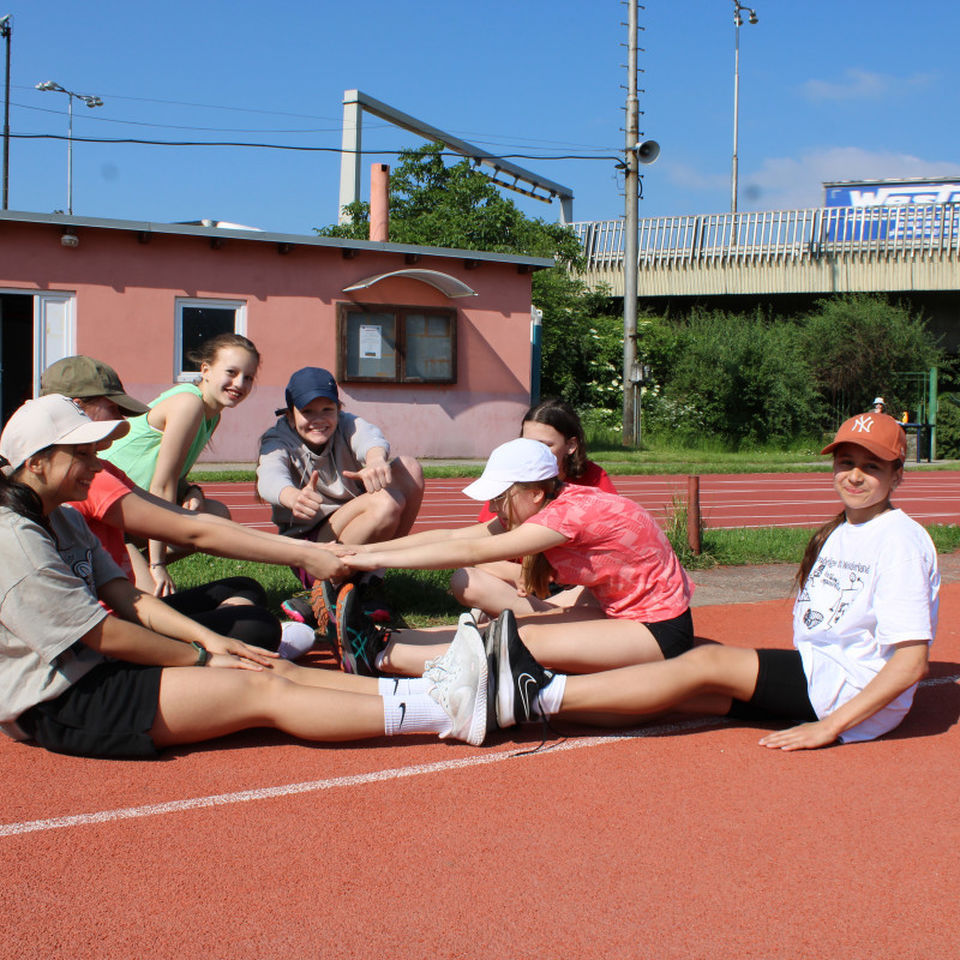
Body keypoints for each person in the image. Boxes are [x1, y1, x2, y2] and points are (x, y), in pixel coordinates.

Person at [0, 395, 490, 759]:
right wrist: (200, 655)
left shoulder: (62, 516)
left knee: (271, 666)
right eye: (80, 455)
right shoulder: (16, 539)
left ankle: (436, 688)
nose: (95, 463)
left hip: (98, 668)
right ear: (36, 462)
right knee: (262, 690)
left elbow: (127, 598)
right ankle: (448, 712)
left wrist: (210, 642)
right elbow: (102, 631)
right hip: (62, 700)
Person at [488, 412, 938, 750]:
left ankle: (531, 696)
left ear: (898, 474)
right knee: (668, 689)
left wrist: (831, 726)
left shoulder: (900, 540)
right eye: (846, 462)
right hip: (822, 676)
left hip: (849, 693)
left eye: (873, 466)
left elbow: (911, 662)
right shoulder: (841, 529)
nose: (854, 475)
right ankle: (521, 706)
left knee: (703, 665)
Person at [41, 355, 351, 658]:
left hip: (120, 604)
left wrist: (309, 552)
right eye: (112, 408)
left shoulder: (100, 468)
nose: (122, 419)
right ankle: (222, 653)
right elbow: (193, 531)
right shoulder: (85, 477)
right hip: (105, 632)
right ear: (76, 408)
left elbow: (190, 520)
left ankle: (222, 646)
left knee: (246, 588)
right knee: (259, 626)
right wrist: (303, 553)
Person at [337, 437, 693, 678]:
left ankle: (377, 656)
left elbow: (468, 550)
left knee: (521, 639)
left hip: (658, 630)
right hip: (616, 609)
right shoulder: (554, 501)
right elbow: (452, 536)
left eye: (499, 497)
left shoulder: (565, 516)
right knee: (499, 629)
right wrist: (359, 551)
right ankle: (383, 638)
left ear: (536, 493)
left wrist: (368, 562)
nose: (491, 507)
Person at [256, 366, 424, 624]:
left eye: (327, 410)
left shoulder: (347, 424)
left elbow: (369, 437)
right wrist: (292, 497)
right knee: (385, 504)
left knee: (409, 469)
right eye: (307, 411)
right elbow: (268, 475)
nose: (318, 419)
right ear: (291, 416)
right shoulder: (278, 438)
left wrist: (375, 459)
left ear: (338, 409)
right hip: (309, 548)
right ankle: (322, 590)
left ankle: (370, 582)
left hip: (350, 523)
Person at [100, 333, 261, 596]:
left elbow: (173, 475)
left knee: (215, 515)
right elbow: (161, 486)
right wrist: (158, 564)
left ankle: (122, 563)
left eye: (248, 377)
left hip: (132, 513)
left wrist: (191, 491)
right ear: (205, 370)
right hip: (107, 512)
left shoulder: (212, 415)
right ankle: (124, 564)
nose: (239, 383)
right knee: (152, 597)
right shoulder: (188, 404)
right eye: (231, 372)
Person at [459, 398, 618, 615]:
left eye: (545, 446)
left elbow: (609, 553)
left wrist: (562, 575)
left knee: (601, 589)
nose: (532, 452)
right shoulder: (510, 475)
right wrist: (523, 573)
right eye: (526, 443)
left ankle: (533, 618)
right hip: (520, 580)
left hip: (572, 581)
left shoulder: (593, 479)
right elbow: (482, 554)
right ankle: (552, 618)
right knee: (465, 580)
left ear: (571, 446)